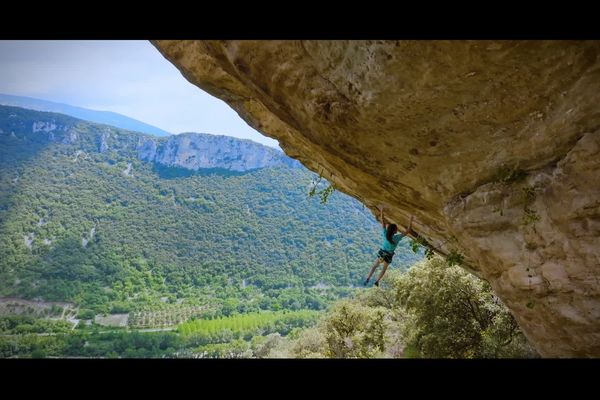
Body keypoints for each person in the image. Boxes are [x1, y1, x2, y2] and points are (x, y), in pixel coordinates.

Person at [364, 208, 413, 287]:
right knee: (383, 269)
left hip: (382, 253)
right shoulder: (397, 238)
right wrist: (411, 219)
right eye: (396, 229)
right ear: (394, 231)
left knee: (374, 266)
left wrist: (382, 212)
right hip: (389, 256)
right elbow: (408, 230)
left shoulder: (385, 234)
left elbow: (383, 224)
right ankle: (377, 281)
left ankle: (368, 278)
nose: (397, 229)